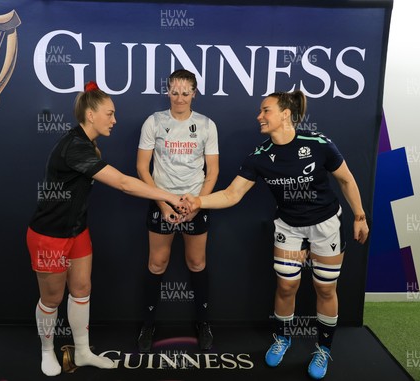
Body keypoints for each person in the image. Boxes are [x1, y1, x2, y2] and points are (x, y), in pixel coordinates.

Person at [184, 90, 369, 380]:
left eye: (265, 110)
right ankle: (283, 338)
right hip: (288, 226)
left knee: (325, 288)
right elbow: (232, 194)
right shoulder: (259, 156)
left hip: (326, 225)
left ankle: (323, 348)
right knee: (286, 287)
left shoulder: (318, 144)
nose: (259, 116)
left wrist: (359, 216)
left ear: (285, 113)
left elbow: (345, 179)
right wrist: (198, 201)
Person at [26, 81, 187, 376]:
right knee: (52, 298)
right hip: (50, 235)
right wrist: (170, 197)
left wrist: (166, 198)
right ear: (90, 115)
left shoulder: (89, 145)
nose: (115, 120)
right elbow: (125, 184)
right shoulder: (74, 147)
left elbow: (123, 186)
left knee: (82, 289)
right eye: (110, 114)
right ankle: (47, 350)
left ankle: (84, 351)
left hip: (77, 231)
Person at [135, 69, 219, 352]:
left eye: (186, 93)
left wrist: (198, 204)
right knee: (157, 263)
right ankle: (148, 324)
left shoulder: (207, 124)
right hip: (162, 202)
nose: (180, 98)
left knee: (197, 263)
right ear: (167, 91)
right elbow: (141, 168)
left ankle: (203, 322)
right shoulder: (154, 122)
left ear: (194, 93)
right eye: (174, 92)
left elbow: (213, 172)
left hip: (195, 203)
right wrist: (162, 202)